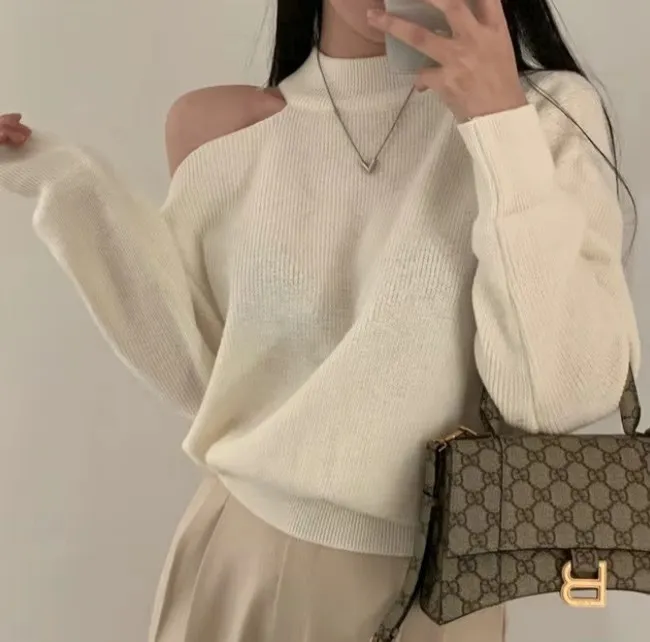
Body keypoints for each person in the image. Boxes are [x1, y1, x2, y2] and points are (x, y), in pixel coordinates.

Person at [0, 0, 641, 640]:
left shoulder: (544, 117)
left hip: (440, 592)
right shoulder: (221, 128)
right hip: (242, 560)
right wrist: (56, 176)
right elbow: (205, 378)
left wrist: (498, 124)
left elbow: (552, 400)